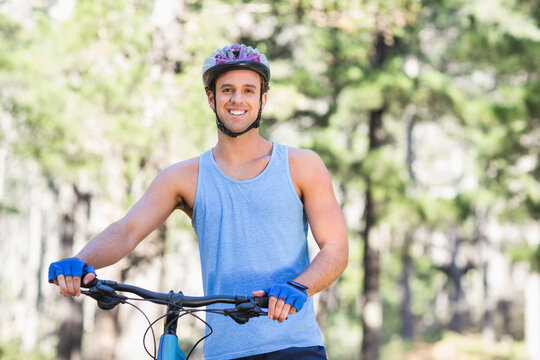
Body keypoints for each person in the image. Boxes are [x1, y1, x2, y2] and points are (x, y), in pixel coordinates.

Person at [48, 44, 348, 360]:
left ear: (263, 100)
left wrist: (297, 287)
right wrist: (80, 262)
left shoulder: (301, 165)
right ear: (211, 99)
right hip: (222, 352)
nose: (237, 99)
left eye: (249, 90)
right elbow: (128, 230)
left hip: (294, 346)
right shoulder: (184, 177)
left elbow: (336, 248)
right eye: (227, 90)